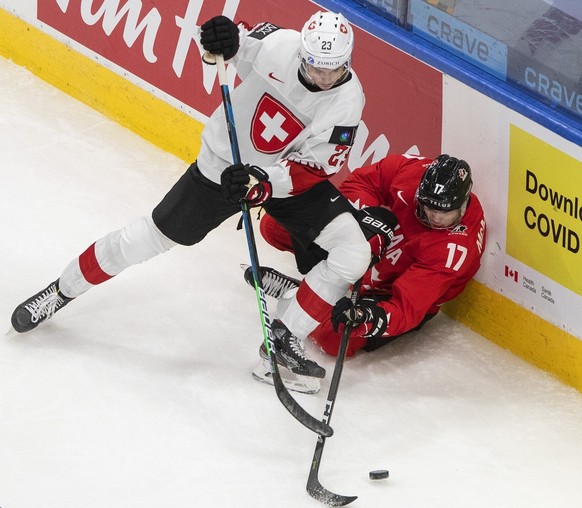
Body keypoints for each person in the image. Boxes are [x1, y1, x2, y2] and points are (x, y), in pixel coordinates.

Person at [11, 11, 371, 380]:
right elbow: (230, 47)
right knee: (145, 239)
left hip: (280, 180)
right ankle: (62, 290)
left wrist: (264, 182)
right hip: (223, 168)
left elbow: (316, 166)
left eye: (334, 69)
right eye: (315, 68)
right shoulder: (280, 44)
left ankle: (279, 344)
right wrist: (218, 42)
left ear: (348, 61)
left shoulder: (347, 102)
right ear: (302, 55)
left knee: (353, 251)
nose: (324, 78)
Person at [246, 153, 486, 364]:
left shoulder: (453, 249)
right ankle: (317, 293)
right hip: (372, 249)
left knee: (331, 337)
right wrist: (362, 222)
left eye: (444, 214)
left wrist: (367, 319)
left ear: (463, 204)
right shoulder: (412, 171)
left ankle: (303, 294)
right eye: (428, 208)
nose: (434, 218)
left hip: (397, 290)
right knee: (274, 227)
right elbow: (364, 181)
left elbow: (407, 306)